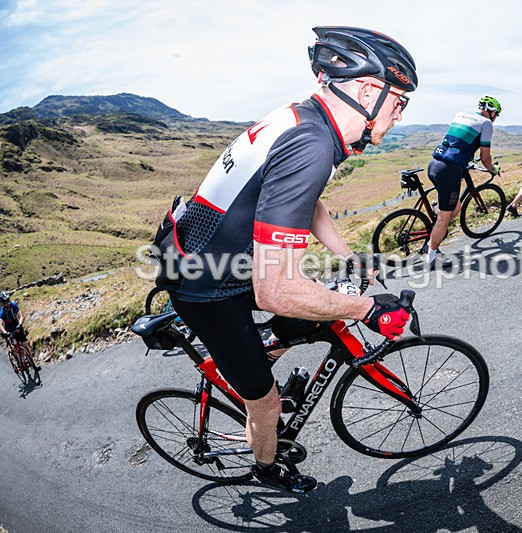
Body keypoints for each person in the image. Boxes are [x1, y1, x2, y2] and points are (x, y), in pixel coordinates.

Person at [151, 26, 417, 494]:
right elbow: (275, 290)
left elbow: (302, 200)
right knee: (267, 403)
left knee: (310, 312)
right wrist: (369, 310)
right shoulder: (312, 144)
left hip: (214, 260)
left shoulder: (302, 119)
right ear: (367, 91)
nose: (398, 116)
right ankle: (267, 469)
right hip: (205, 288)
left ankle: (259, 352)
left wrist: (347, 256)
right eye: (399, 103)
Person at [424, 96, 502, 266]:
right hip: (449, 170)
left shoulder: (461, 115)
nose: (495, 117)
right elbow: (485, 156)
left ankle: (434, 233)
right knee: (444, 218)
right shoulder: (486, 123)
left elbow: (458, 142)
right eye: (496, 114)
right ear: (492, 111)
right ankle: (431, 257)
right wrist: (492, 169)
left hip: (434, 164)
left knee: (456, 206)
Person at [0, 291, 40, 371]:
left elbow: (21, 316)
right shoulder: (2, 311)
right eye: (6, 302)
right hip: (10, 332)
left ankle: (33, 364)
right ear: (3, 303)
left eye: (8, 300)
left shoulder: (13, 305)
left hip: (18, 328)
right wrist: (5, 332)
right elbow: (0, 324)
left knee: (26, 346)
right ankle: (19, 363)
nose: (8, 303)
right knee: (15, 348)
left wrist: (20, 324)